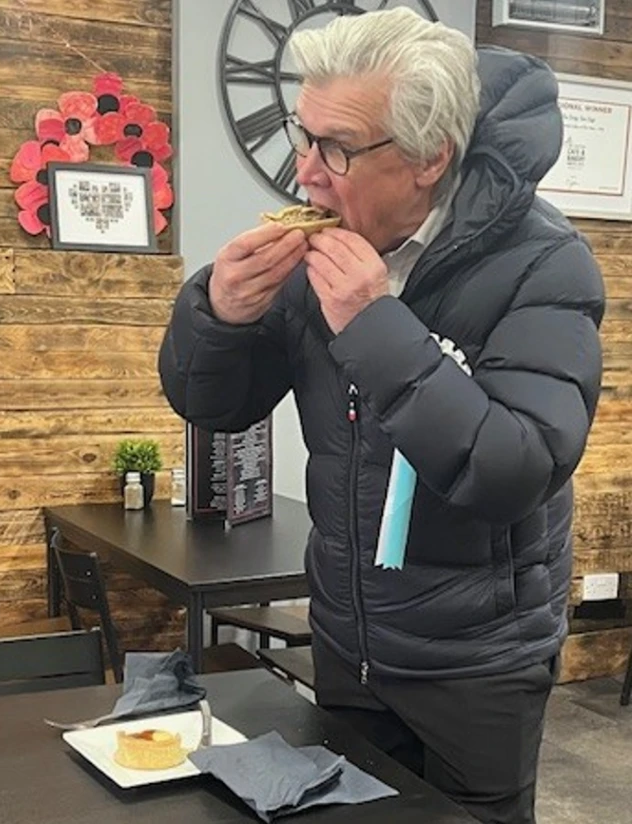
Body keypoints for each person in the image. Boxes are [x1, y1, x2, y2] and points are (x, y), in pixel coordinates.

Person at [159, 8, 604, 824]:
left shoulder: (544, 263)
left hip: (480, 663)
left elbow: (514, 466)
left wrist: (376, 325)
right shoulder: (321, 246)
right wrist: (216, 312)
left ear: (430, 157)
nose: (306, 173)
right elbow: (214, 406)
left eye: (337, 148)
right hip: (347, 640)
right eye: (304, 134)